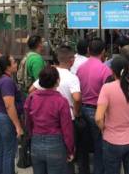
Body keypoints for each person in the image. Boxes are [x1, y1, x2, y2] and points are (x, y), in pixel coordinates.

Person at [29, 45, 81, 174]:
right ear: (71, 60)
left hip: (38, 134)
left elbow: (31, 90)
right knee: (65, 159)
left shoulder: (47, 73)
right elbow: (77, 97)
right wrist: (75, 111)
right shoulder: (71, 78)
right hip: (64, 123)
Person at [25, 66, 75, 174]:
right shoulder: (61, 101)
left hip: (36, 142)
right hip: (55, 144)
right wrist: (70, 149)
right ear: (57, 81)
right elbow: (67, 129)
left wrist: (31, 137)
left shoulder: (31, 98)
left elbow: (28, 122)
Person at [76, 38, 112, 174]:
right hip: (97, 111)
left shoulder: (80, 68)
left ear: (88, 50)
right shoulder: (105, 70)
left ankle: (83, 170)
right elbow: (107, 93)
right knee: (99, 146)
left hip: (82, 109)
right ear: (103, 52)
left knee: (83, 144)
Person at [0, 55, 24, 174]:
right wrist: (18, 126)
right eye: (14, 62)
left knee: (0, 149)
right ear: (7, 67)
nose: (16, 64)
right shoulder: (7, 81)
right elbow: (9, 105)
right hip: (5, 118)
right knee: (9, 151)